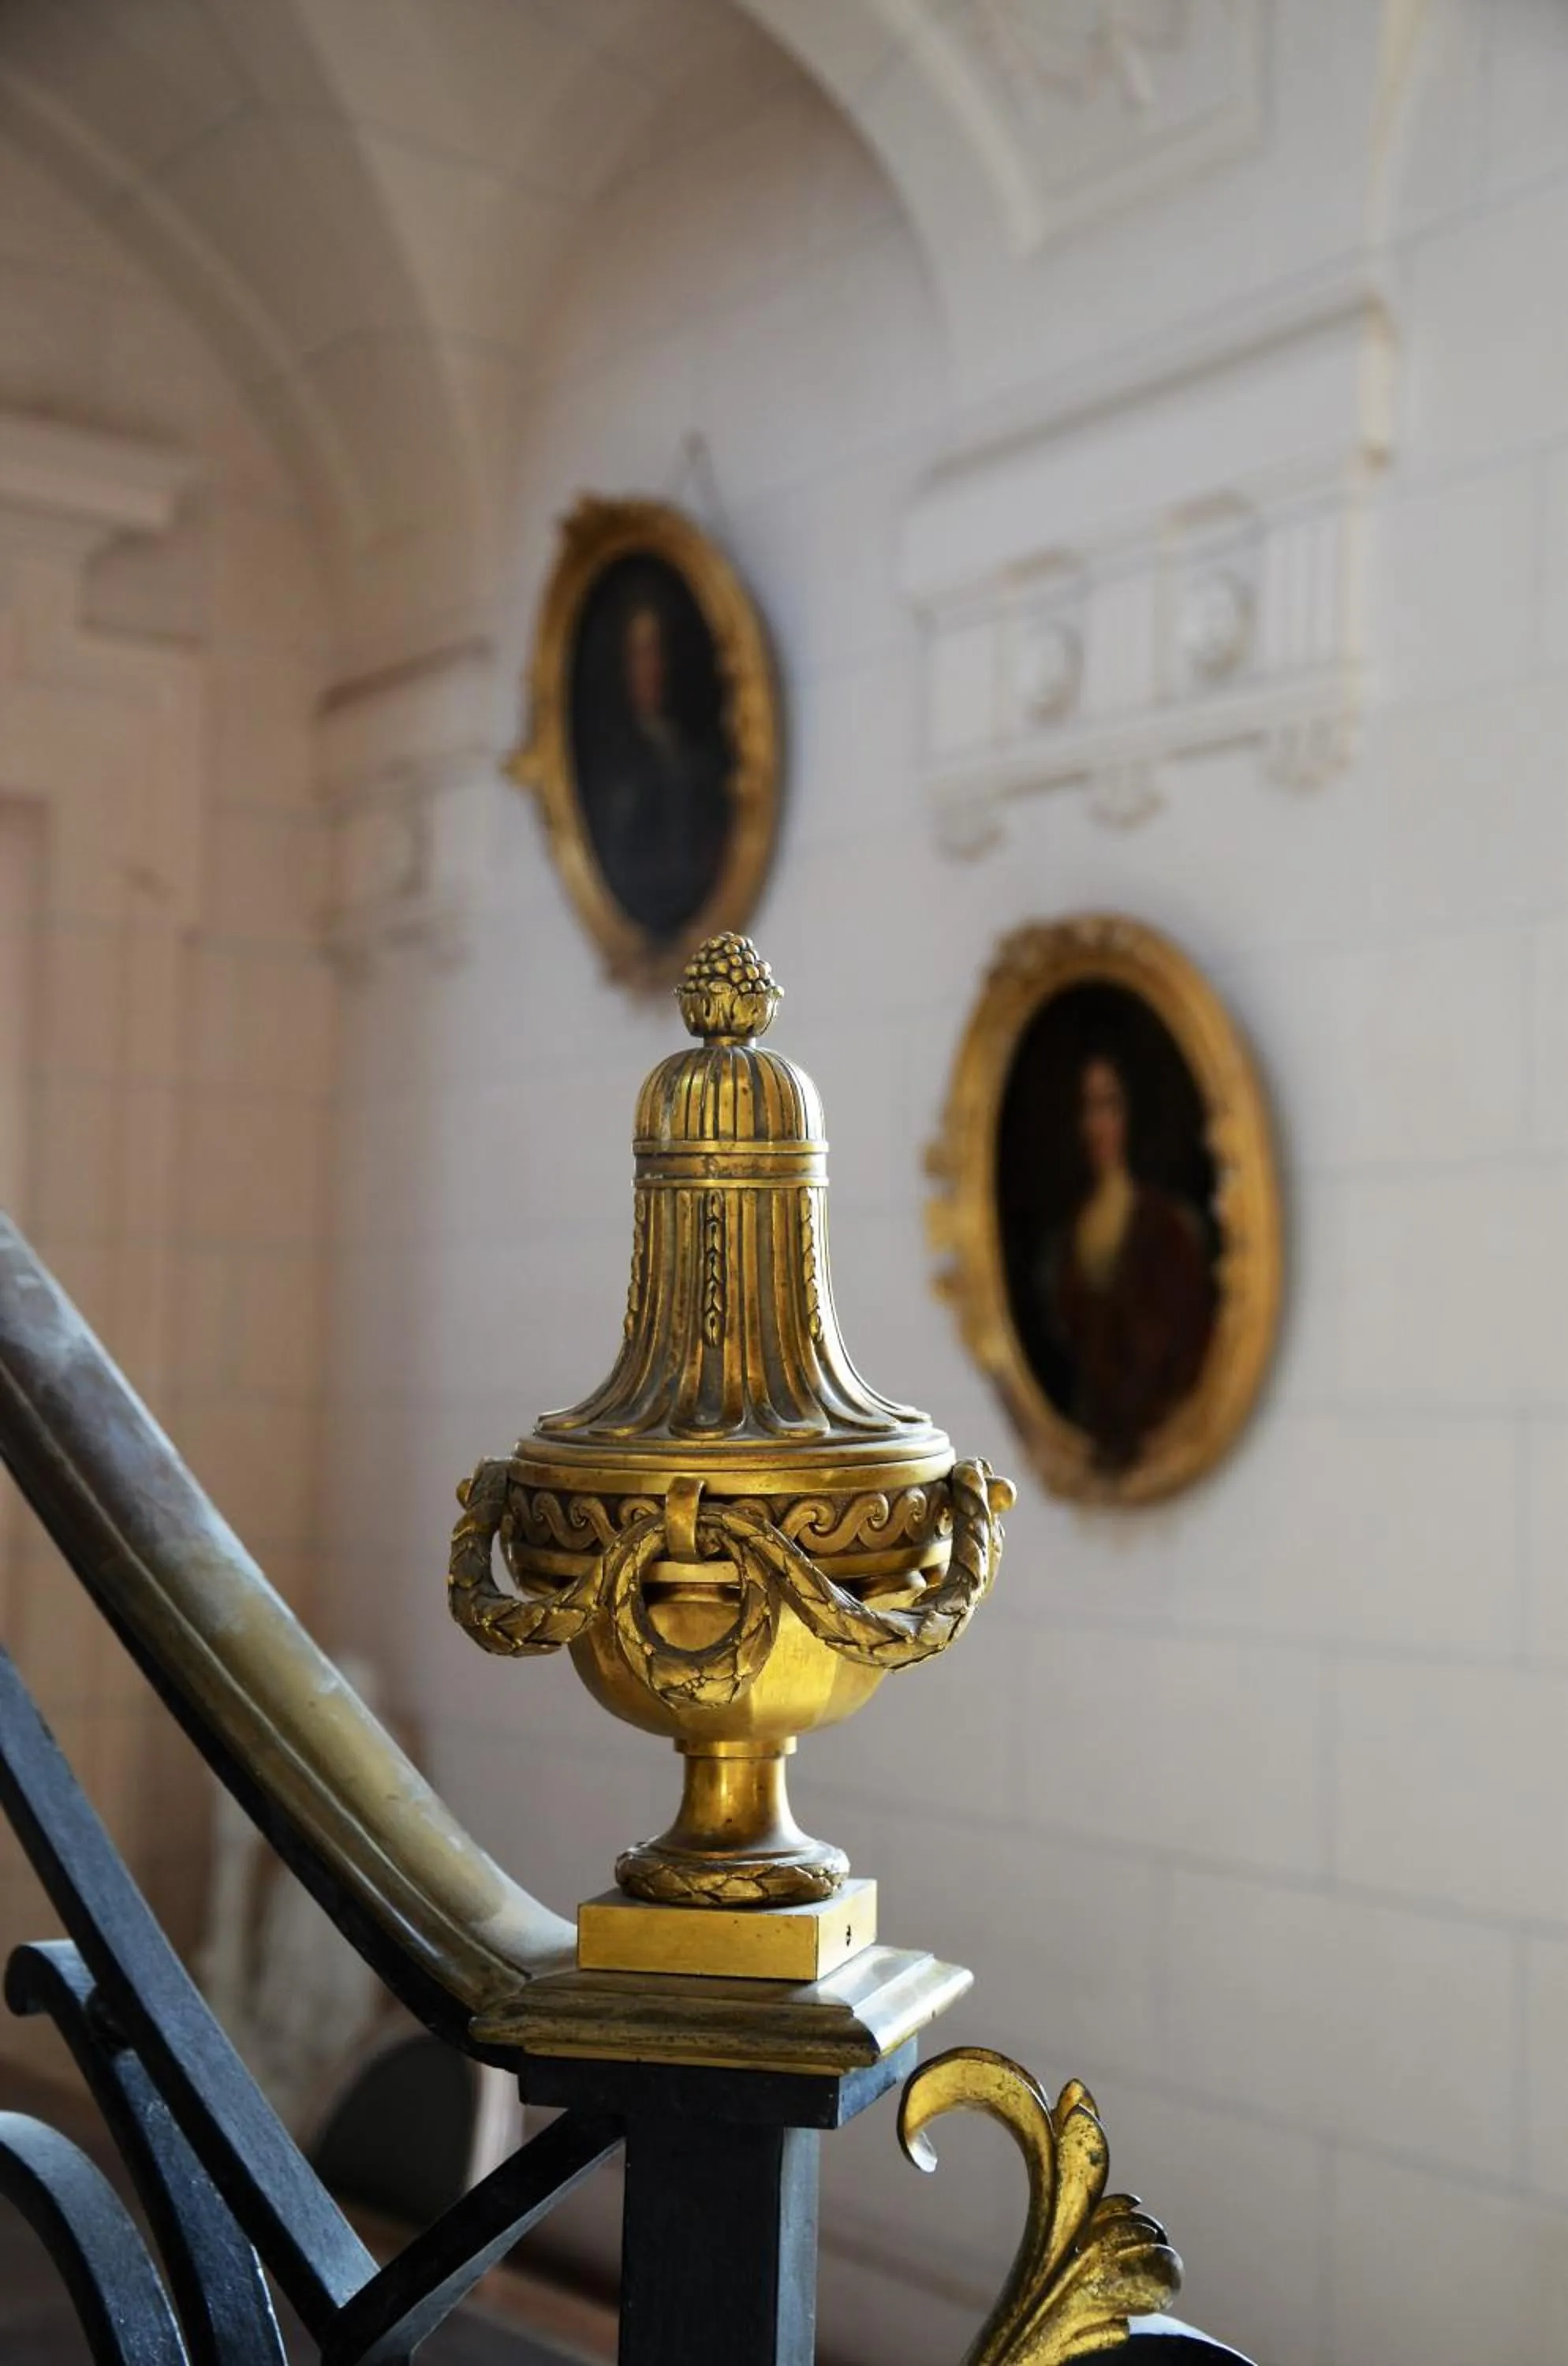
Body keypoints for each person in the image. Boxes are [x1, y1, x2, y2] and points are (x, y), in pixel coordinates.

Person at [1038, 1052, 1214, 1470]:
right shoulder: (1065, 1241)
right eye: (1086, 1108)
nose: (1095, 1126)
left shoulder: (1167, 1226)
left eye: (1108, 1105)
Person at [580, 592, 729, 941]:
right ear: (625, 666)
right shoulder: (616, 761)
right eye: (641, 655)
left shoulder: (687, 749)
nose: (653, 667)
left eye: (658, 653)